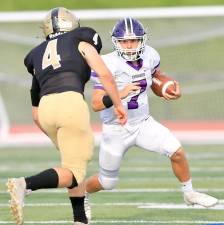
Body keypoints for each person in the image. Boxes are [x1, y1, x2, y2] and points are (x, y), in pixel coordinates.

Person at [85, 17, 218, 219]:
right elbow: (95, 103)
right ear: (116, 42)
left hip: (143, 123)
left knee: (177, 151)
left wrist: (167, 88)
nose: (129, 45)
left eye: (133, 40)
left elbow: (155, 78)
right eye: (124, 41)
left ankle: (189, 193)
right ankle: (81, 194)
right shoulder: (107, 63)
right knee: (107, 182)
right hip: (116, 128)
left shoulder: (150, 55)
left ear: (142, 40)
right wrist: (118, 94)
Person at [6, 7, 127, 225]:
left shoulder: (37, 54)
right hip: (70, 102)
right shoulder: (81, 39)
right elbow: (105, 75)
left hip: (45, 109)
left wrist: (53, 131)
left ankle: (80, 219)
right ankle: (25, 184)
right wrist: (118, 104)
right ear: (72, 24)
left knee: (72, 165)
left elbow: (35, 114)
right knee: (74, 171)